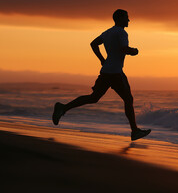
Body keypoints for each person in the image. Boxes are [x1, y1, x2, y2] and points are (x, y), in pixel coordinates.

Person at [52, 9, 151, 141]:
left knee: (94, 97)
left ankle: (63, 107)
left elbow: (93, 44)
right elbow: (123, 49)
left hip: (105, 71)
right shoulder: (122, 32)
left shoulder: (108, 32)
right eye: (126, 17)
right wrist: (134, 51)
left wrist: (101, 59)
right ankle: (135, 131)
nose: (129, 20)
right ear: (120, 18)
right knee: (128, 99)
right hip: (116, 73)